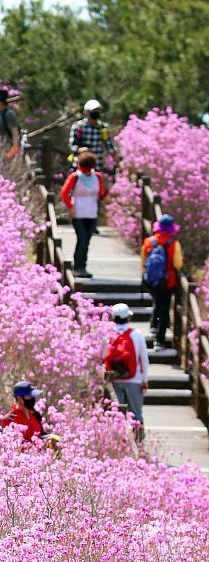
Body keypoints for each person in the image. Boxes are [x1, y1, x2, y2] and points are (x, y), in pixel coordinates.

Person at [103, 303, 149, 437]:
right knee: (136, 414)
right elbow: (144, 358)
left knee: (116, 415)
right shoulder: (137, 334)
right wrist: (145, 379)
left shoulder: (108, 335)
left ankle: (118, 443)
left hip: (114, 379)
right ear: (128, 318)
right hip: (134, 379)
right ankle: (139, 443)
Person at [60, 150, 107, 277]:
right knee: (82, 238)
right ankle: (78, 267)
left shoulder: (97, 177)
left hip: (92, 213)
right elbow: (64, 193)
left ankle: (82, 266)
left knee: (87, 240)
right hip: (78, 213)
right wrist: (70, 207)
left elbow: (100, 194)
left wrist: (107, 191)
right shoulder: (75, 177)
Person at [141, 213, 183, 349]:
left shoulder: (148, 242)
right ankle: (159, 340)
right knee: (164, 308)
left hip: (150, 281)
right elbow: (177, 265)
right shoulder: (173, 244)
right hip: (167, 281)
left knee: (157, 301)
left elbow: (143, 263)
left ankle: (153, 325)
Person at [67, 100, 117, 174]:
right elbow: (71, 146)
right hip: (80, 168)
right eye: (94, 110)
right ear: (86, 112)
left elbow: (109, 146)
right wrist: (80, 149)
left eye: (98, 110)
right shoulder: (78, 127)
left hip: (97, 168)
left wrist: (118, 159)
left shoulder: (103, 127)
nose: (96, 113)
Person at [0, 88, 21, 163]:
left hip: (5, 152)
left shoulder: (9, 114)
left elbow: (15, 133)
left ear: (0, 101)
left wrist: (12, 152)